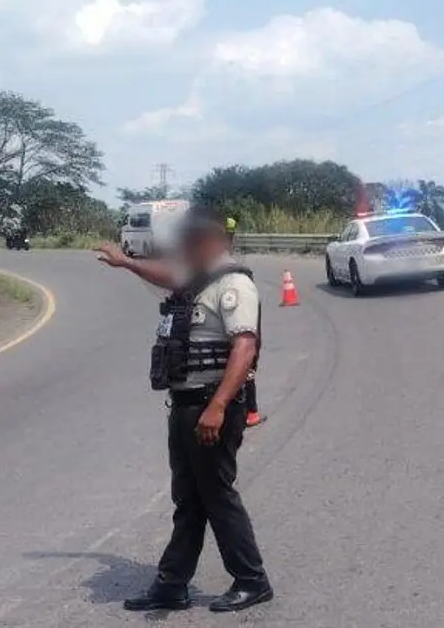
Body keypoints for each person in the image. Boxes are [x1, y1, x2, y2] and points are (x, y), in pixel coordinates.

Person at [94, 206, 273, 614]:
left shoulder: (233, 284)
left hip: (212, 406)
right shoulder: (198, 279)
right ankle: (172, 584)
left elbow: (244, 347)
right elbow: (166, 275)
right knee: (189, 499)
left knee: (216, 495)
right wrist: (127, 263)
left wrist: (218, 407)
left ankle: (252, 580)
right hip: (186, 407)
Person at [224, 217, 265, 429]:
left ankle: (250, 411)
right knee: (247, 369)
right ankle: (251, 412)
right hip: (241, 337)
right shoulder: (242, 279)